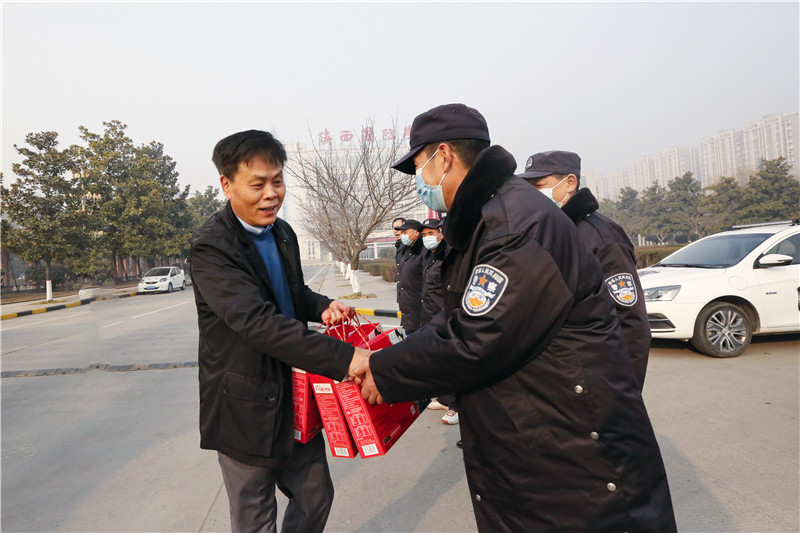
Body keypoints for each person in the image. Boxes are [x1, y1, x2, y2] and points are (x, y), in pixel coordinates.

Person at [352, 104, 676, 531]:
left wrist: (384, 370)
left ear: (443, 156)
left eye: (418, 168)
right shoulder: (486, 221)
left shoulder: (514, 227)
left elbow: (478, 338)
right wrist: (391, 357)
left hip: (573, 453)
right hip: (534, 445)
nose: (419, 182)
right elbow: (456, 316)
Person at [190, 129, 369, 533]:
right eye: (258, 185)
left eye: (277, 181)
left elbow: (291, 292)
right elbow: (257, 321)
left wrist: (322, 305)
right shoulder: (213, 246)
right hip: (245, 404)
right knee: (255, 515)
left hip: (295, 394)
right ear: (227, 184)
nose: (271, 194)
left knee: (315, 495)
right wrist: (346, 358)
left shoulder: (282, 233)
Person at [520, 150, 650, 390]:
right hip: (556, 376)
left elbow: (630, 323)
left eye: (539, 186)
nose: (532, 195)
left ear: (570, 183)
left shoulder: (602, 237)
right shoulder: (548, 232)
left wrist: (623, 393)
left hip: (592, 379)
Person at [418, 218, 456, 423]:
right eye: (424, 235)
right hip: (429, 317)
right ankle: (444, 398)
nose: (427, 238)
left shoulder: (447, 256)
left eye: (430, 234)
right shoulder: (429, 255)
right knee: (437, 362)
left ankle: (456, 406)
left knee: (451, 363)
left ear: (441, 234)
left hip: (444, 317)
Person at [395, 218, 425, 334]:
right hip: (408, 310)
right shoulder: (406, 250)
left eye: (405, 232)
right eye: (401, 232)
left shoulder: (423, 252)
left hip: (419, 311)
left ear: (416, 233)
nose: (402, 235)